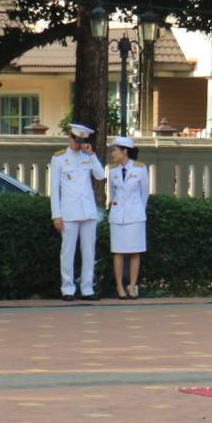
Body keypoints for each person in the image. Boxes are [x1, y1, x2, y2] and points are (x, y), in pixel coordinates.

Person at [50, 122, 106, 302]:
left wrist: (92, 155)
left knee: (89, 251)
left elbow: (100, 175)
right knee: (68, 251)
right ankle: (67, 289)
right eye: (75, 139)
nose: (78, 143)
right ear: (70, 137)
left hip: (88, 212)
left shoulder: (87, 157)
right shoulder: (59, 159)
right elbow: (54, 190)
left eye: (81, 140)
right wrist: (56, 215)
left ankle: (87, 288)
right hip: (69, 213)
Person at [108, 136, 150, 299]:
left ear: (125, 151)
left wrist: (138, 210)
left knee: (135, 253)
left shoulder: (140, 169)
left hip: (135, 215)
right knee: (118, 252)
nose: (113, 153)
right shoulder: (112, 171)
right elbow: (113, 194)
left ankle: (132, 287)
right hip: (118, 216)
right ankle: (119, 287)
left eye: (115, 150)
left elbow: (144, 194)